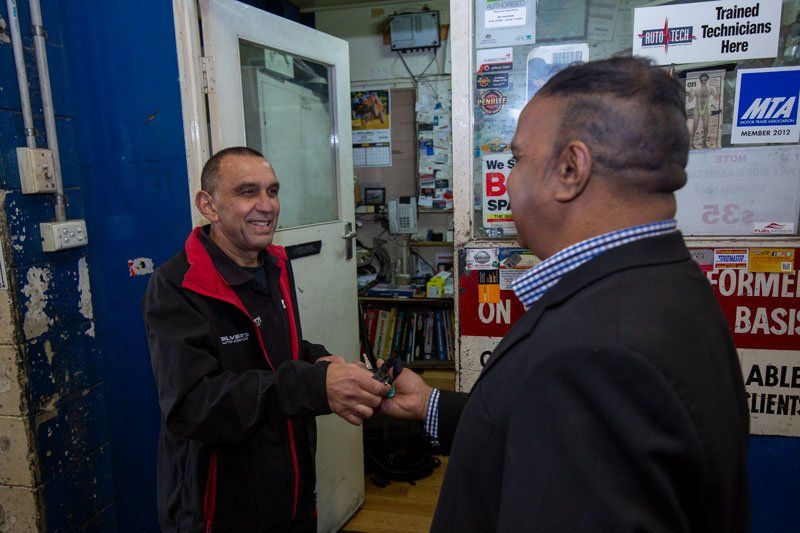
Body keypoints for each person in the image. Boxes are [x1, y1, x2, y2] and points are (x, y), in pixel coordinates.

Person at [381, 57, 749, 532]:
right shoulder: (662, 282)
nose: (507, 180)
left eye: (517, 159)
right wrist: (430, 405)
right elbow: (544, 428)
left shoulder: (599, 353)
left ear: (571, 169)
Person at [143, 146, 387, 532]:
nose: (267, 205)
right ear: (208, 205)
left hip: (292, 487)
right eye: (247, 191)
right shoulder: (177, 284)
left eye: (272, 191)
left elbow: (277, 350)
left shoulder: (274, 263)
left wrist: (317, 361)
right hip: (221, 505)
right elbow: (192, 405)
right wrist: (312, 386)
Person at [687, 73, 720, 148]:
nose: (703, 81)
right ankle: (691, 143)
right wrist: (690, 94)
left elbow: (716, 98)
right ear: (700, 81)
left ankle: (704, 143)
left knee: (705, 128)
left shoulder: (710, 90)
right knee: (694, 127)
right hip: (697, 109)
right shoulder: (696, 90)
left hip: (705, 110)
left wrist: (718, 91)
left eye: (705, 80)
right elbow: (689, 100)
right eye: (701, 80)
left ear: (707, 80)